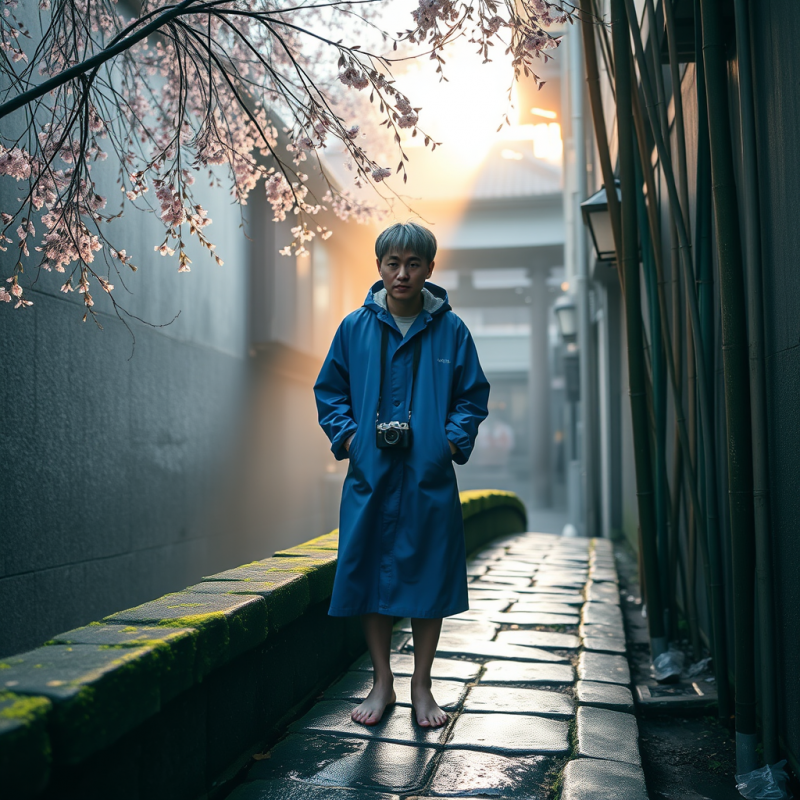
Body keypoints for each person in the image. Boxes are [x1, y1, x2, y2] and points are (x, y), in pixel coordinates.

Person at [313, 222, 490, 729]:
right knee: (370, 570)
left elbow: (471, 396)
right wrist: (350, 440)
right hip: (372, 474)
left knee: (428, 575)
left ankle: (422, 684)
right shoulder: (354, 327)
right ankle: (382, 680)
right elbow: (330, 391)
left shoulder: (451, 330)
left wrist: (448, 443)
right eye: (393, 263)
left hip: (427, 474)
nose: (402, 274)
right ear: (379, 268)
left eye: (414, 264)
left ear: (430, 269)